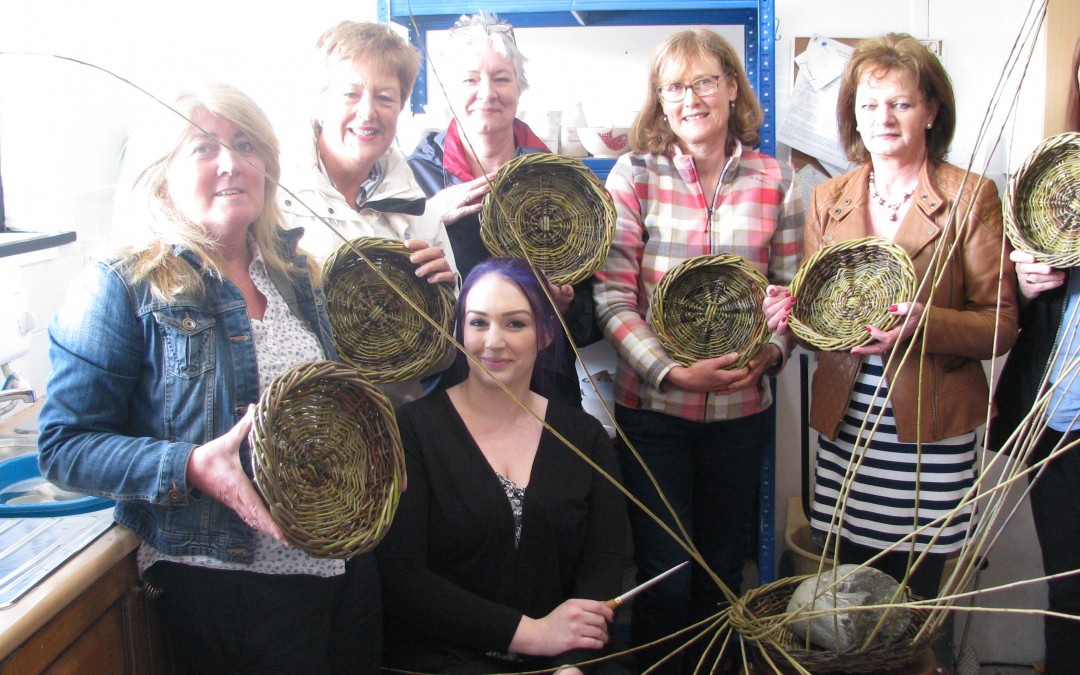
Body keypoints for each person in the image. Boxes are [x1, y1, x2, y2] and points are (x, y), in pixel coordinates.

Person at [37, 83, 381, 674]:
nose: (230, 163)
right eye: (203, 147)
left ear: (268, 166)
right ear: (160, 174)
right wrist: (192, 465)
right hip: (229, 581)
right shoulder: (119, 285)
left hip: (341, 565)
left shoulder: (295, 273)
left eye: (245, 144)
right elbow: (64, 447)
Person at [765, 33, 1018, 607]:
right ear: (852, 116)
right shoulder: (829, 198)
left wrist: (925, 324)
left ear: (930, 110)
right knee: (850, 595)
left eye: (901, 103)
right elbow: (822, 318)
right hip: (846, 418)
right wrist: (790, 313)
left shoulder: (969, 196)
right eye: (868, 105)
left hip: (929, 428)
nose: (884, 118)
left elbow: (1001, 323)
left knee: (914, 600)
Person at [593, 28, 803, 673]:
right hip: (653, 413)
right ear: (660, 100)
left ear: (733, 87)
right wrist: (672, 370)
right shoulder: (636, 172)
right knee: (663, 573)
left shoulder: (779, 179)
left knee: (719, 574)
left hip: (740, 415)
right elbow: (611, 296)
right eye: (675, 87)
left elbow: (792, 298)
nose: (692, 99)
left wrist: (769, 352)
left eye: (706, 81)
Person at [376, 258, 632, 675]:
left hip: (561, 658)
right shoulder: (412, 430)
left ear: (546, 332)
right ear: (460, 330)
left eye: (515, 324)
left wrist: (572, 664)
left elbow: (601, 568)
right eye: (478, 323)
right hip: (445, 657)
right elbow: (404, 578)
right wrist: (533, 633)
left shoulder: (585, 437)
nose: (493, 342)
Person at [407, 12, 601, 407]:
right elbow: (393, 294)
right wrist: (428, 217)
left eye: (501, 77)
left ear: (518, 87)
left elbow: (590, 301)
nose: (486, 92)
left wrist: (566, 305)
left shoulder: (557, 180)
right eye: (470, 79)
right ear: (447, 89)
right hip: (449, 383)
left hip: (542, 382)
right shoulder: (414, 176)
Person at [278, 20, 459, 406]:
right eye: (350, 94)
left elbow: (441, 359)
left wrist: (441, 302)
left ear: (402, 106)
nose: (368, 112)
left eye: (385, 97)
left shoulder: (419, 212)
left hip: (390, 426)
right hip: (303, 418)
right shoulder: (273, 201)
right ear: (321, 100)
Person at [988, 34, 1080, 675]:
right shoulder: (1060, 178)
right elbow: (1021, 310)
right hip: (1060, 415)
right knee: (1070, 592)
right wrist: (1027, 278)